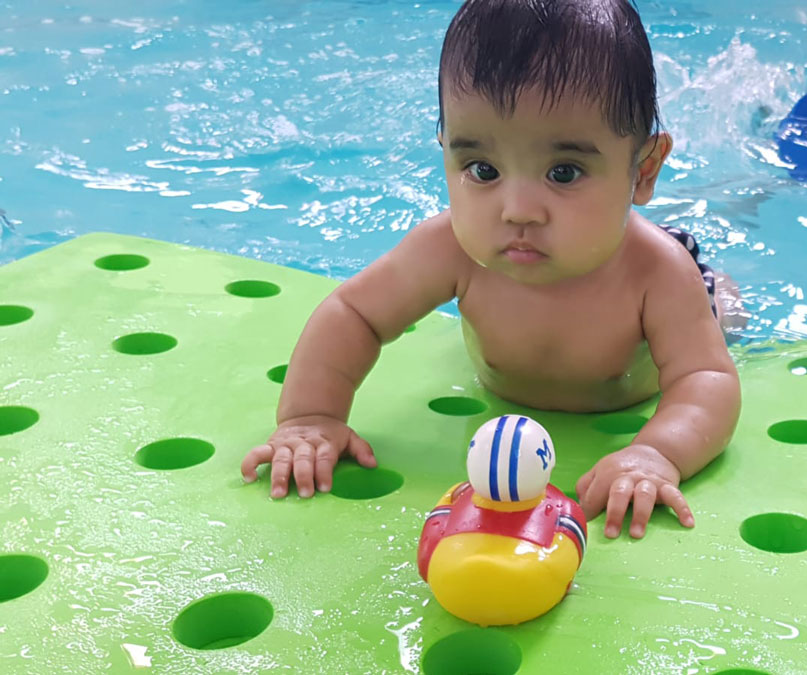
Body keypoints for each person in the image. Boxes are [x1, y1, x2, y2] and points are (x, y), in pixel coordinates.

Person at [239, 0, 742, 540]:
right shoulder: (449, 248)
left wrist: (655, 452)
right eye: (483, 170)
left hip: (680, 282)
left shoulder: (656, 272)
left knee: (728, 319)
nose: (518, 209)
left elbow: (705, 378)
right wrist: (311, 418)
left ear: (643, 170)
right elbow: (353, 312)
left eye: (564, 172)